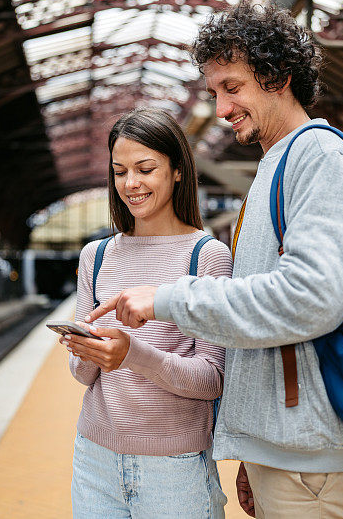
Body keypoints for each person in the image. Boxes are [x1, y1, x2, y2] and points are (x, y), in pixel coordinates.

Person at [86, 2, 343, 518]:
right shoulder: (278, 164)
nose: (223, 107)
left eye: (233, 87)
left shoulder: (318, 157)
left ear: (279, 77)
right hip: (289, 451)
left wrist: (165, 299)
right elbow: (259, 327)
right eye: (214, 93)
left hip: (313, 460)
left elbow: (311, 297)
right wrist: (250, 451)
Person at [61, 108, 233, 518]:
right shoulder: (96, 257)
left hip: (175, 468)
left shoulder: (206, 257)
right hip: (94, 459)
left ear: (177, 171)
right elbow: (82, 374)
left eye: (145, 168)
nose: (131, 184)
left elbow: (213, 379)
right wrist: (84, 351)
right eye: (119, 171)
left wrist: (131, 354)